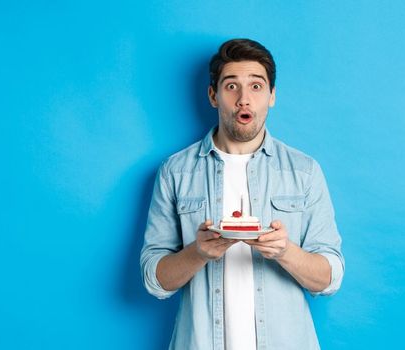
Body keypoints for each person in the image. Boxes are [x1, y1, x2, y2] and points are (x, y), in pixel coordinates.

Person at [140, 38, 344, 350]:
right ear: (213, 95)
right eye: (231, 86)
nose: (244, 99)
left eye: (257, 86)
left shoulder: (304, 171)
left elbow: (330, 279)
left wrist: (284, 251)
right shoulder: (175, 172)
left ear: (272, 96)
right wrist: (199, 252)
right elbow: (155, 280)